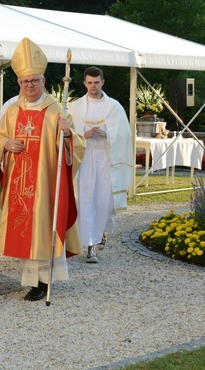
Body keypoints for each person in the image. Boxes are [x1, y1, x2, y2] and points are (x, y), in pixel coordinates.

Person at [0, 37, 85, 302]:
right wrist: (6, 143)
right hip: (20, 185)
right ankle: (31, 280)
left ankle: (44, 282)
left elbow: (77, 146)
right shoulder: (11, 111)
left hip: (44, 185)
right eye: (24, 82)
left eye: (34, 81)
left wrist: (68, 136)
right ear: (19, 84)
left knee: (43, 230)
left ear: (43, 81)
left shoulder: (56, 111)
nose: (29, 86)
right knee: (24, 232)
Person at [69, 67, 134, 263]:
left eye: (96, 82)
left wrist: (107, 133)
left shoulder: (114, 107)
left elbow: (125, 133)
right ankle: (91, 245)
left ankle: (102, 229)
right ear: (84, 83)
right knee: (87, 201)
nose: (93, 86)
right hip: (86, 159)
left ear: (102, 82)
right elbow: (67, 133)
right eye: (89, 83)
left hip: (107, 159)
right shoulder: (76, 107)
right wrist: (83, 134)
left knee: (104, 202)